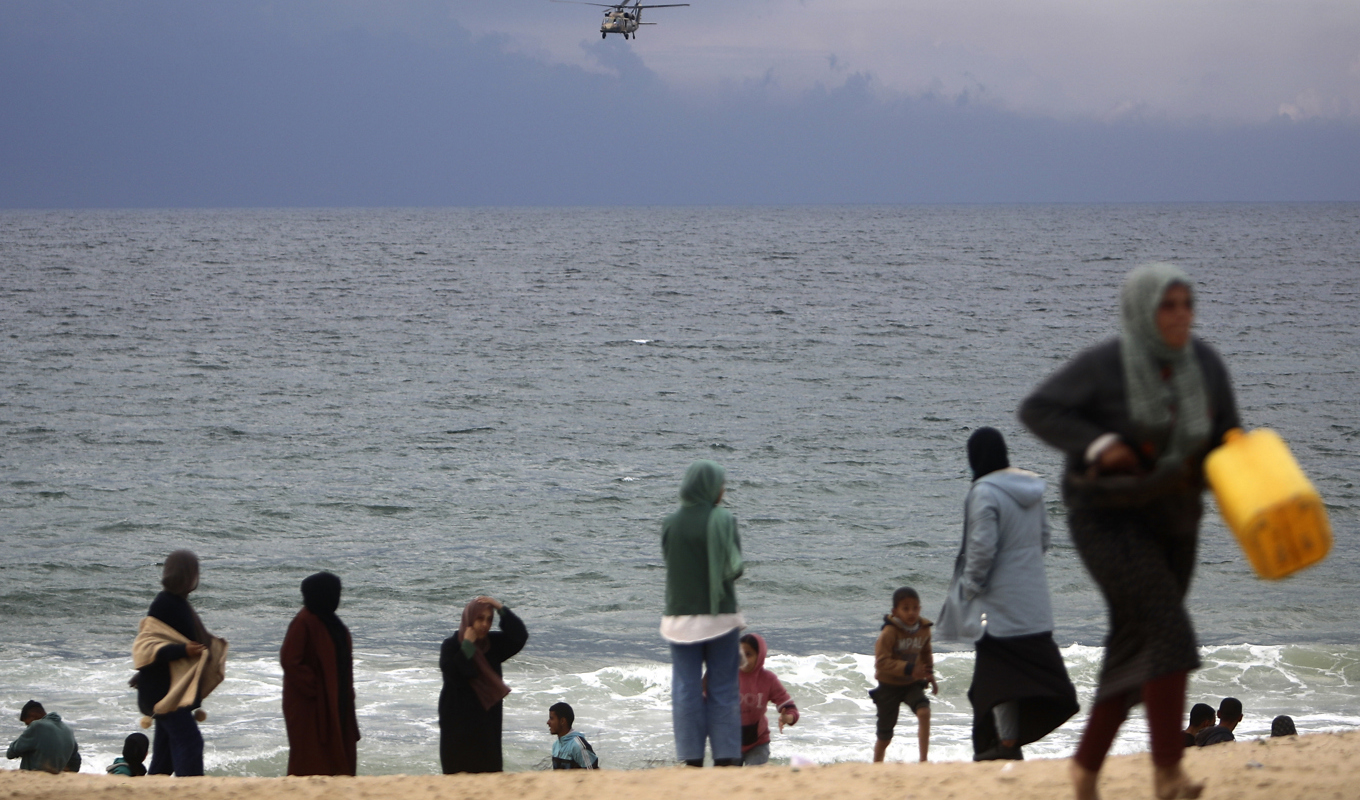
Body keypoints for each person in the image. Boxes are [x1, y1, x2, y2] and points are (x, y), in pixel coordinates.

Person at [1020, 263, 1240, 800]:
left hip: (1175, 518)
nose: (1181, 315)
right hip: (1107, 518)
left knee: (1136, 646)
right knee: (1170, 633)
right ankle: (1168, 771)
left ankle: (1085, 768)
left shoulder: (1204, 364)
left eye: (1187, 304)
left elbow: (1230, 434)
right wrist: (1099, 445)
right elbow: (1039, 409)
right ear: (1142, 310)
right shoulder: (1106, 365)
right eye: (1169, 305)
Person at [936, 427, 1078, 762]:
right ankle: (1008, 745)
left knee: (992, 687)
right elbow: (1043, 540)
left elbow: (981, 550)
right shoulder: (1031, 488)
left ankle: (1003, 747)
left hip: (1000, 612)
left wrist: (969, 589)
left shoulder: (983, 492)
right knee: (1012, 684)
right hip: (1035, 607)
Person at [660, 460, 744, 768]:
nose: (722, 491)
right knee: (723, 686)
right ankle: (726, 756)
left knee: (686, 687)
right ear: (709, 487)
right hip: (720, 617)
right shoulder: (724, 519)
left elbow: (671, 561)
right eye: (720, 485)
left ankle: (690, 757)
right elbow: (734, 569)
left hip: (679, 620)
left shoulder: (670, 522)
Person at [131, 549, 228, 777]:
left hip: (168, 687)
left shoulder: (178, 602)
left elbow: (163, 641)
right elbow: (147, 644)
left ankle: (155, 789)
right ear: (187, 575)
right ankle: (191, 789)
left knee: (164, 754)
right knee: (190, 743)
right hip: (165, 692)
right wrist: (182, 649)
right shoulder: (165, 603)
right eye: (195, 572)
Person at [281, 572, 361, 776]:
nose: (338, 598)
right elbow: (290, 661)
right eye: (335, 593)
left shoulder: (331, 622)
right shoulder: (304, 622)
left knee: (339, 752)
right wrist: (318, 689)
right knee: (311, 758)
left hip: (336, 701)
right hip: (311, 707)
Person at [438, 595, 527, 774]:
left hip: (487, 722)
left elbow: (519, 636)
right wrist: (468, 645)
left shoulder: (492, 645)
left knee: (489, 771)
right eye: (480, 618)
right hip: (458, 723)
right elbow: (457, 673)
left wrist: (500, 608)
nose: (485, 624)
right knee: (457, 775)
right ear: (469, 618)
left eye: (489, 619)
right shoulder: (451, 645)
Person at [871, 587, 937, 763]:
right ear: (895, 612)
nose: (911, 612)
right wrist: (909, 668)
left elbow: (926, 653)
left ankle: (923, 761)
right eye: (905, 608)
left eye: (915, 608)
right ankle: (876, 766)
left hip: (911, 684)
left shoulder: (924, 629)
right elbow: (881, 662)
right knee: (885, 737)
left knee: (924, 712)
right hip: (888, 686)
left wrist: (930, 674)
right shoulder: (889, 633)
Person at [737, 633, 799, 766]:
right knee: (728, 781)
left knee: (754, 779)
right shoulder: (727, 677)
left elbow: (790, 708)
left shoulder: (768, 679)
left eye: (748, 654)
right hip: (729, 742)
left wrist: (787, 718)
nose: (743, 659)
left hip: (758, 743)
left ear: (759, 656)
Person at [6, 701, 80, 773]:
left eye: (27, 724)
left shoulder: (37, 726)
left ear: (33, 716)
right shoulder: (67, 729)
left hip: (34, 778)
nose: (28, 728)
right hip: (56, 778)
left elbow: (10, 753)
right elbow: (76, 761)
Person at [547, 702, 598, 769]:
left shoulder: (578, 746)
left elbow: (593, 774)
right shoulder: (556, 745)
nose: (548, 722)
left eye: (551, 718)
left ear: (562, 721)